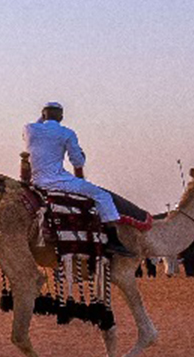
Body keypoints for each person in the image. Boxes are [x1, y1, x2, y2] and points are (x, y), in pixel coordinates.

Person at [23, 102, 132, 257]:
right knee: (103, 196)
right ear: (61, 117)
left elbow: (38, 123)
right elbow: (78, 162)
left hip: (36, 180)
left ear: (43, 114)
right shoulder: (67, 133)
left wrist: (43, 116)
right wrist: (82, 155)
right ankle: (113, 240)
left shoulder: (29, 129)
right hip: (58, 181)